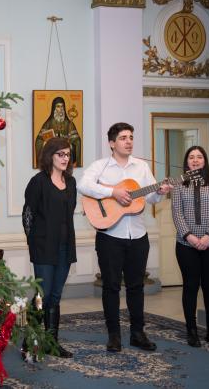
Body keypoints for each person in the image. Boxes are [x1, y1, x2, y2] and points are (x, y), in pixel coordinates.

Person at [78, 122, 171, 352]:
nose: (128, 141)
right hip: (110, 236)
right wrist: (113, 192)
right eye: (123, 138)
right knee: (110, 287)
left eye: (130, 137)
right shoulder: (100, 166)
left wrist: (159, 193)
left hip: (138, 235)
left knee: (136, 286)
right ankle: (114, 335)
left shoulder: (141, 167)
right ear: (112, 143)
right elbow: (83, 185)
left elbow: (150, 199)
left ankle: (138, 334)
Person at [22, 137, 77, 358]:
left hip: (65, 247)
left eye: (67, 154)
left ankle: (51, 343)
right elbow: (28, 215)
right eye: (60, 154)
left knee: (55, 296)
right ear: (49, 156)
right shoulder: (38, 182)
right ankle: (30, 338)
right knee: (42, 296)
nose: (65, 158)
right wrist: (33, 242)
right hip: (43, 247)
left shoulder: (71, 183)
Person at [171, 146, 209, 348]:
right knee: (190, 287)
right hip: (186, 244)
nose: (195, 160)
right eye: (191, 157)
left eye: (199, 157)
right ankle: (192, 331)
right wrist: (191, 237)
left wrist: (207, 236)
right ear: (187, 162)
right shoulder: (179, 184)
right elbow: (177, 213)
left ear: (205, 161)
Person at [34, 97, 81, 167]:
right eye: (58, 106)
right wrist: (45, 143)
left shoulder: (69, 124)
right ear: (54, 108)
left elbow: (77, 142)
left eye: (62, 106)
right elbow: (39, 141)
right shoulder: (48, 123)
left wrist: (70, 144)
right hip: (52, 158)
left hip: (65, 158)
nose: (61, 109)